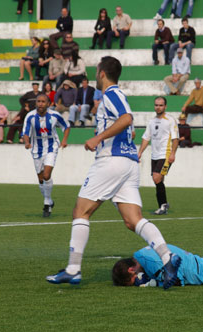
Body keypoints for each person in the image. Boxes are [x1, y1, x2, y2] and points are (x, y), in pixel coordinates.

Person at [46, 56, 183, 290]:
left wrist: (98, 137)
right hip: (127, 164)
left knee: (80, 211)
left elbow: (127, 119)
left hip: (112, 161)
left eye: (96, 70)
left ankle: (73, 269)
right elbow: (128, 125)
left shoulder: (111, 94)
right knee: (133, 220)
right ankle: (167, 258)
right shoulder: (117, 96)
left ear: (101, 73)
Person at [22, 94, 70, 218]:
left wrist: (64, 140)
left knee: (47, 175)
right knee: (41, 179)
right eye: (38, 101)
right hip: (36, 149)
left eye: (43, 101)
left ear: (48, 104)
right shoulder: (30, 116)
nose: (40, 104)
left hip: (51, 147)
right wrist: (26, 142)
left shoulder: (54, 116)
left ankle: (47, 203)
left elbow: (66, 126)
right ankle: (49, 200)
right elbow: (25, 132)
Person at [138, 96, 179, 215]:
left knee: (156, 177)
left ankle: (163, 205)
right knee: (158, 180)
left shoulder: (170, 120)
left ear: (165, 106)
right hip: (154, 155)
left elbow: (175, 139)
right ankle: (163, 205)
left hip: (165, 155)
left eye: (161, 105)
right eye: (156, 105)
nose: (158, 107)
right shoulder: (151, 121)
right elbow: (146, 138)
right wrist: (140, 152)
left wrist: (173, 154)